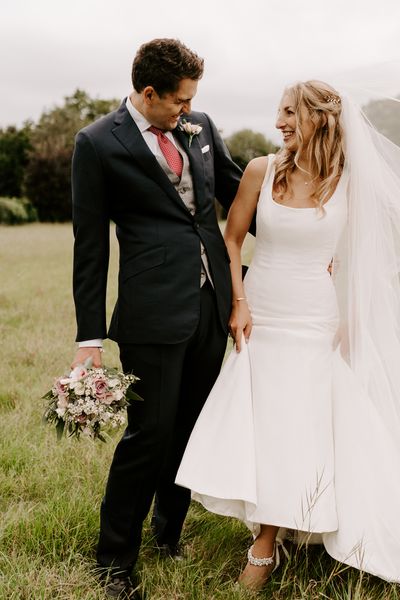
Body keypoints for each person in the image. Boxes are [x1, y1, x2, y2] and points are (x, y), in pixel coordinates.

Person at [176, 79, 400, 590]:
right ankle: (274, 528)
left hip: (314, 318)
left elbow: (373, 253)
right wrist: (239, 302)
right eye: (278, 112)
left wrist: (350, 311)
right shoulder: (261, 170)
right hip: (262, 310)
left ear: (319, 119)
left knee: (298, 426)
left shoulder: (350, 180)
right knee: (264, 423)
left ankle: (265, 546)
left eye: (288, 113)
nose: (278, 122)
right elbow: (231, 239)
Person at [71, 38, 242, 599]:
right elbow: (90, 247)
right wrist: (89, 337)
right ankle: (115, 559)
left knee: (191, 431)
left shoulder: (202, 127)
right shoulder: (97, 143)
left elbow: (241, 195)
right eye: (179, 101)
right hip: (150, 315)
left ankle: (168, 535)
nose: (187, 110)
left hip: (212, 306)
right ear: (149, 93)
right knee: (150, 434)